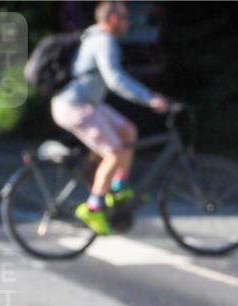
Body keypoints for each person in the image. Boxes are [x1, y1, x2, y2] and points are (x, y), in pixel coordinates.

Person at [51, 1, 170, 236]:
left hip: (90, 105)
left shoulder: (94, 36)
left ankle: (117, 188)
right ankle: (93, 207)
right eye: (125, 18)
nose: (128, 23)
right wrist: (149, 98)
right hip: (75, 107)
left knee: (128, 131)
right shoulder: (104, 41)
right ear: (113, 19)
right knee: (114, 152)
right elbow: (115, 79)